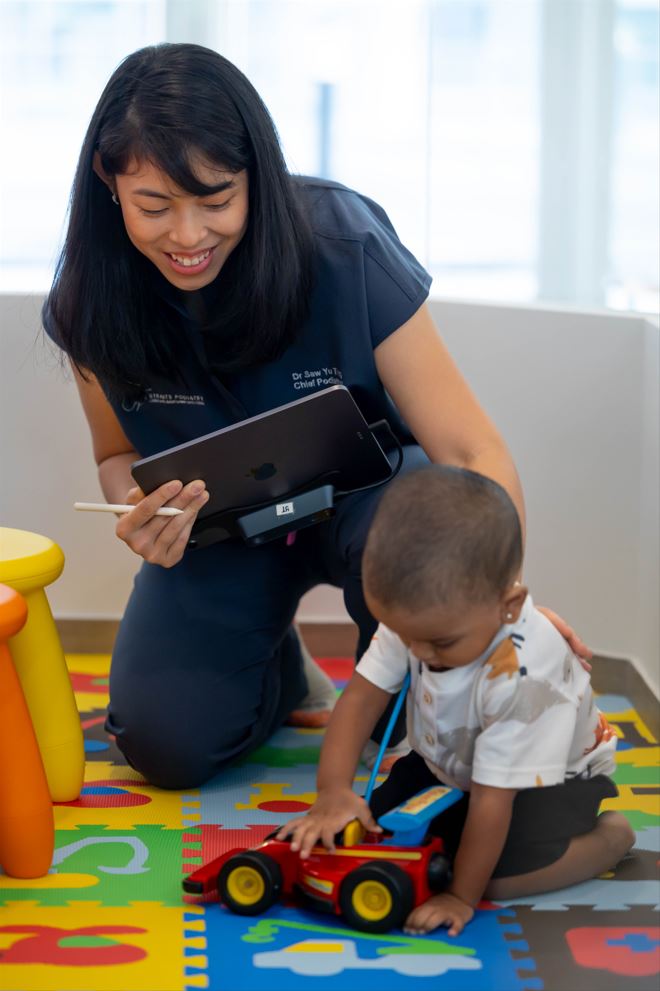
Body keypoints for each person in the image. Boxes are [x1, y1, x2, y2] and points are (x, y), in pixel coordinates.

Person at [43, 43, 588, 790]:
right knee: (162, 742)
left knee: (429, 726)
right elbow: (113, 456)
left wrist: (503, 610)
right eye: (155, 206)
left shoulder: (342, 241)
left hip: (375, 511)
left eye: (216, 200)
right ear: (110, 182)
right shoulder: (89, 301)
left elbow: (471, 448)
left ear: (255, 177)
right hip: (223, 531)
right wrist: (136, 509)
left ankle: (395, 677)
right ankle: (280, 673)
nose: (188, 236)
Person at [278, 465, 634, 936]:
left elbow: (493, 800)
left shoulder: (523, 681)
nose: (420, 653)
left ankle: (610, 837)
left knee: (498, 881)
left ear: (508, 605)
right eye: (408, 637)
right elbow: (362, 697)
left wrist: (461, 897)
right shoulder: (422, 615)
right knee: (377, 831)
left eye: (441, 644)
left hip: (546, 782)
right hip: (450, 761)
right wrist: (333, 792)